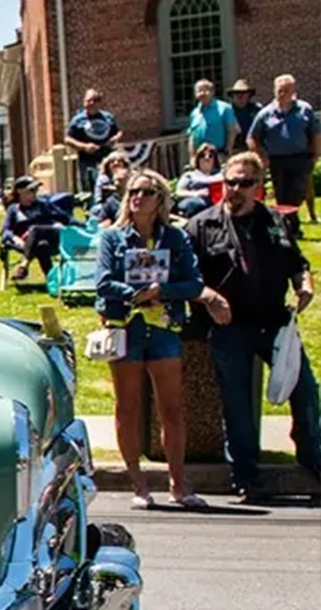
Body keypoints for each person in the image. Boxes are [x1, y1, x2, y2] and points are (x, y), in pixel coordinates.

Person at [186, 151, 320, 501]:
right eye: (230, 182)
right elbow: (185, 278)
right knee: (237, 402)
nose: (235, 189)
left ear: (259, 186)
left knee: (304, 388)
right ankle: (245, 475)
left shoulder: (275, 221)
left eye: (245, 183)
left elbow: (297, 262)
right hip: (229, 326)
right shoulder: (201, 225)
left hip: (274, 322)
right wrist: (208, 298)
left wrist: (304, 285)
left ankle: (312, 455)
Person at [95, 169, 207, 509]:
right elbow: (102, 282)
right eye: (132, 192)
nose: (137, 198)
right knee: (127, 406)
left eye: (145, 192)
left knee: (171, 407)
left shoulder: (174, 238)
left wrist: (164, 290)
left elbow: (194, 282)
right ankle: (139, 484)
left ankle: (178, 483)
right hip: (125, 325)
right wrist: (136, 293)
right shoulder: (113, 238)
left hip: (163, 327)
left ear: (160, 199)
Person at [247, 74, 319, 226]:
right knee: (282, 195)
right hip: (276, 160)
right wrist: (262, 156)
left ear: (293, 90)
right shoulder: (265, 113)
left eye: (286, 90)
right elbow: (252, 138)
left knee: (297, 192)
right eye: (279, 90)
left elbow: (315, 134)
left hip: (300, 158)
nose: (282, 94)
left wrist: (316, 154)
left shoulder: (305, 109)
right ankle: (291, 226)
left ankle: (290, 223)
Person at [1, 175, 74, 281]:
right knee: (41, 245)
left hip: (51, 236)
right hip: (27, 243)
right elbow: (5, 230)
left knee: (35, 229)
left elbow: (66, 219)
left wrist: (85, 226)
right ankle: (52, 279)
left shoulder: (43, 205)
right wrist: (14, 238)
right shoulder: (13, 210)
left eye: (36, 190)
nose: (35, 192)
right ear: (20, 192)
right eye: (32, 190)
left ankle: (24, 266)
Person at [65, 88, 123, 194]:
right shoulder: (78, 120)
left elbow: (119, 132)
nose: (92, 103)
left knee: (110, 187)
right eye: (89, 100)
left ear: (100, 103)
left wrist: (114, 139)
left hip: (107, 159)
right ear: (84, 102)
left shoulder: (107, 117)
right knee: (89, 191)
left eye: (95, 100)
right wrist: (84, 146)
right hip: (87, 161)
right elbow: (67, 139)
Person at [188, 79, 239, 156]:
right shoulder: (194, 113)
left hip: (219, 154)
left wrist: (228, 150)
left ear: (212, 92)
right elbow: (192, 137)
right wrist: (192, 156)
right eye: (199, 91)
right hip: (200, 157)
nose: (202, 93)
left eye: (205, 90)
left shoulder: (225, 108)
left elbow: (232, 131)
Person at [175, 145, 223, 219]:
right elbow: (179, 192)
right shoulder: (189, 175)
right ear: (198, 159)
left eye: (210, 156)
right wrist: (196, 193)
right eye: (203, 156)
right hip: (196, 202)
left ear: (214, 160)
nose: (206, 158)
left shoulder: (221, 175)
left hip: (217, 203)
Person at [90, 152, 134, 227]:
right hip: (104, 205)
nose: (116, 163)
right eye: (112, 161)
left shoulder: (133, 177)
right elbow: (100, 195)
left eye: (119, 161)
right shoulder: (103, 178)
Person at [230, 78, 263, 142]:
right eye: (237, 93)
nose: (240, 97)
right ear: (232, 96)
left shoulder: (257, 110)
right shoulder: (228, 111)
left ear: (249, 95)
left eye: (243, 93)